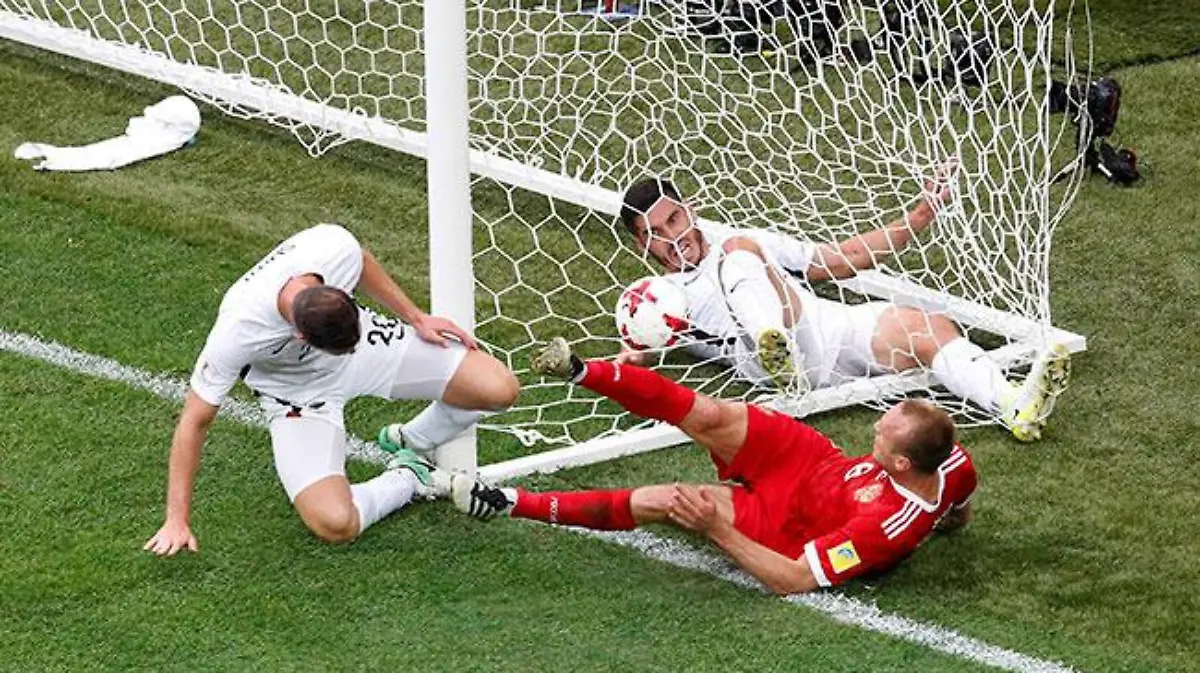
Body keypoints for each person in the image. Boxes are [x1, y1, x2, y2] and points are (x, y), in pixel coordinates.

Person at [451, 338, 976, 594]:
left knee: (665, 500)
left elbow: (793, 579)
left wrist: (717, 528)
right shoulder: (953, 462)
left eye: (883, 435)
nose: (874, 431)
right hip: (813, 462)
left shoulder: (881, 527)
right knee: (707, 414)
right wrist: (952, 516)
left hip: (783, 526)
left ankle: (509, 502)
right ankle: (580, 368)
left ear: (903, 463)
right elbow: (957, 500)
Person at [144, 224, 518, 555]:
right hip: (298, 394)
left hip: (373, 347)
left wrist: (416, 317)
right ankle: (409, 478)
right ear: (300, 337)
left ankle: (412, 441)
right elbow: (194, 421)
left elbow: (361, 260)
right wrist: (176, 519)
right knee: (335, 523)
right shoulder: (238, 332)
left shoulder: (328, 247)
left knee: (498, 389)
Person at [615, 174, 1071, 441]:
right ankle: (773, 346)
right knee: (740, 250)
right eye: (655, 231)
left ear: (690, 211)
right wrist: (632, 356)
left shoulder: (746, 240)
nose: (671, 236)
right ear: (641, 242)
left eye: (673, 219)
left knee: (927, 328)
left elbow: (842, 260)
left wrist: (916, 217)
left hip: (825, 330)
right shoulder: (660, 293)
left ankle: (1013, 405)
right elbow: (645, 341)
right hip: (769, 359)